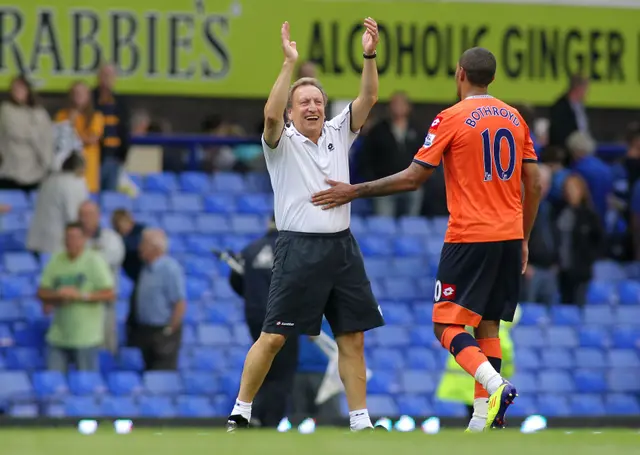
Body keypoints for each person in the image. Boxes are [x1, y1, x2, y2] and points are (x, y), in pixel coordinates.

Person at [311, 47, 542, 431]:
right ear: (492, 79)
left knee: (445, 325)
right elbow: (533, 182)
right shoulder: (516, 119)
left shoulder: (451, 117)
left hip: (470, 235)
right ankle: (483, 422)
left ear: (460, 74)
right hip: (508, 235)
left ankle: (494, 385)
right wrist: (524, 237)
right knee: (488, 325)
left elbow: (413, 178)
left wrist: (354, 190)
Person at [226, 19, 385, 433]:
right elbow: (269, 114)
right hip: (298, 249)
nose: (312, 107)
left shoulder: (339, 131)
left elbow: (369, 95)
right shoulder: (281, 144)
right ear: (292, 113)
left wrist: (369, 55)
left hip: (342, 249)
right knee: (274, 337)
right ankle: (241, 411)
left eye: (317, 100)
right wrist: (288, 65)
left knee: (352, 337)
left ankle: (361, 421)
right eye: (304, 103)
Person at [226, 217, 300, 428]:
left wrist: (252, 298)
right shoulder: (292, 250)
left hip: (256, 317)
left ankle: (252, 413)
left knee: (260, 367)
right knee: (281, 374)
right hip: (285, 316)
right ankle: (268, 421)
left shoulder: (250, 250)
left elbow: (235, 281)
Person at [37, 222, 115, 372]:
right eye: (68, 237)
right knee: (54, 384)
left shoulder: (94, 261)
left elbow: (109, 293)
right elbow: (41, 292)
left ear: (83, 239)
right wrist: (58, 296)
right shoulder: (56, 260)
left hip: (86, 337)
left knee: (85, 386)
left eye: (74, 237)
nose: (70, 241)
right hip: (58, 335)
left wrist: (80, 295)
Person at [436, 307, 520, 425]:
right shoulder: (495, 328)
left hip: (464, 375)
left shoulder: (466, 325)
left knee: (474, 414)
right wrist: (508, 373)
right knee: (485, 414)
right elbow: (505, 351)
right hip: (484, 381)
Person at [130, 228, 186, 370]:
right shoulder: (145, 269)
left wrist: (169, 330)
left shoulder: (170, 269)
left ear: (155, 247)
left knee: (162, 373)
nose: (140, 248)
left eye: (143, 244)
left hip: (162, 331)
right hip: (145, 331)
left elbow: (179, 303)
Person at [26, 153, 89, 257]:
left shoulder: (48, 181)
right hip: (56, 245)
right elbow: (73, 217)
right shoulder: (74, 183)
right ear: (79, 168)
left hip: (36, 240)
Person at [0, 75, 53, 192]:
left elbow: (47, 136)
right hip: (12, 170)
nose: (18, 92)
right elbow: (15, 131)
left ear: (28, 91)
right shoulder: (6, 109)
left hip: (37, 170)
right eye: (15, 89)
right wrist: (34, 131)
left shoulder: (39, 112)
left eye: (21, 88)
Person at [54, 81, 105, 193]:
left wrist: (72, 128)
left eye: (82, 93)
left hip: (88, 173)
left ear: (88, 96)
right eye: (76, 93)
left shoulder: (96, 117)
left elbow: (92, 139)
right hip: (66, 171)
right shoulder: (61, 115)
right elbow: (59, 139)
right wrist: (70, 122)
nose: (79, 96)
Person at [93, 63, 130, 191]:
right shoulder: (91, 100)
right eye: (104, 75)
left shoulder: (120, 102)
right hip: (94, 159)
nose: (107, 79)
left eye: (111, 76)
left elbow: (124, 130)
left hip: (114, 159)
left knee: (111, 195)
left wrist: (123, 156)